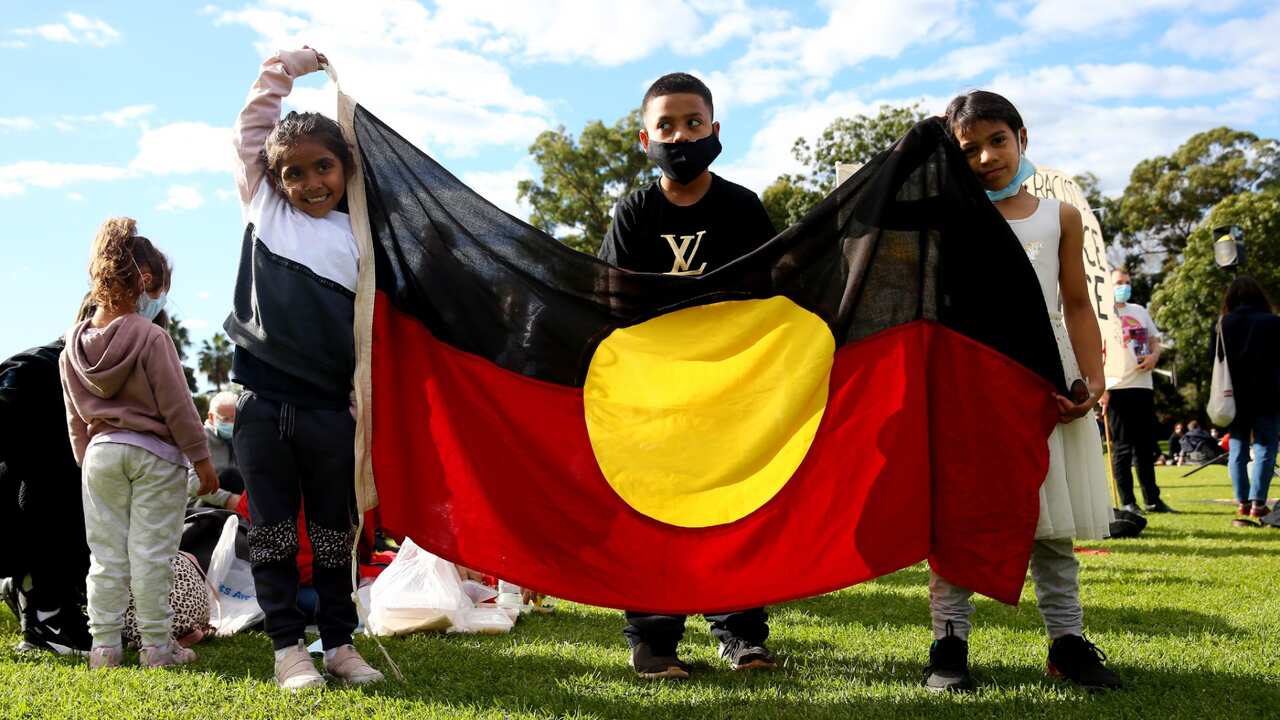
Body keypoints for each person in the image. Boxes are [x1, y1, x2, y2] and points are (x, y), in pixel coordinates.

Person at [923, 90, 1121, 692]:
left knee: (1052, 519)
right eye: (969, 148)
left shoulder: (1058, 216)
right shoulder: (945, 222)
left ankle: (1067, 642)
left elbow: (1078, 305)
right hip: (971, 383)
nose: (985, 157)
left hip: (1047, 379)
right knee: (960, 516)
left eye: (997, 140)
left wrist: (1091, 379)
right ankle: (949, 641)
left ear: (1022, 137)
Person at [597, 72, 778, 680]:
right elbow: (612, 304)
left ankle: (741, 634)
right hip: (655, 397)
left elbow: (769, 297)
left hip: (729, 392)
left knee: (735, 508)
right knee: (654, 513)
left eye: (693, 123)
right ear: (643, 139)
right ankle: (653, 640)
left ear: (715, 130)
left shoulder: (743, 208)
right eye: (666, 126)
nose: (681, 136)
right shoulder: (634, 212)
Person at [224, 46, 383, 690]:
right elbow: (250, 133)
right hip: (261, 406)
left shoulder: (363, 237)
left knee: (332, 533)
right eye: (294, 173)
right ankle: (288, 648)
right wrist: (280, 71)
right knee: (271, 533)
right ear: (274, 178)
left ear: (347, 169)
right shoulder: (266, 209)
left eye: (324, 167)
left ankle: (340, 644)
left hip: (327, 411)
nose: (310, 182)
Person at [59, 217, 219, 670]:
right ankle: (156, 647)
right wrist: (201, 459)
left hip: (100, 455)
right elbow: (179, 407)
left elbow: (76, 418)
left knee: (106, 556)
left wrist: (86, 461)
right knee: (152, 554)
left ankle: (104, 648)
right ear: (146, 282)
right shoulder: (152, 337)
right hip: (155, 456)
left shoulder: (71, 346)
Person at [1102, 268, 1174, 514]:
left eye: (1127, 282)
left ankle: (1153, 500)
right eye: (1119, 283)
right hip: (1117, 387)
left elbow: (1155, 340)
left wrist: (1154, 356)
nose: (1124, 286)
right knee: (1122, 447)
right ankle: (1127, 501)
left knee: (1145, 447)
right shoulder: (1102, 314)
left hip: (1143, 386)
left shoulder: (1139, 311)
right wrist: (1101, 388)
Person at [1212, 275, 1280, 525]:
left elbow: (1215, 358)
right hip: (1268, 393)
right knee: (1265, 447)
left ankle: (1241, 501)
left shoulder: (1223, 324)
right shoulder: (1273, 322)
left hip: (1233, 395)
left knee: (1238, 449)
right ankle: (1258, 503)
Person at [187, 390, 243, 509]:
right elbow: (190, 483)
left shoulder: (241, 439)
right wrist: (227, 499)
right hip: (201, 503)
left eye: (234, 418)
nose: (231, 424)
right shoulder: (198, 439)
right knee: (231, 475)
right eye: (225, 419)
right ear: (211, 417)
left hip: (235, 501)